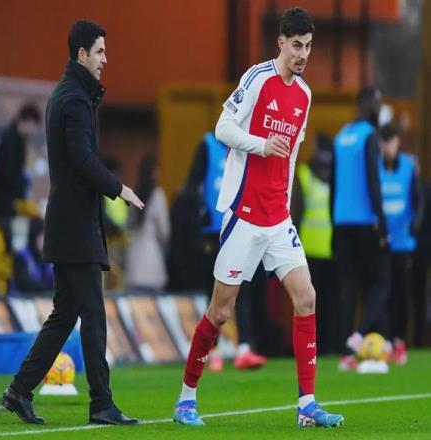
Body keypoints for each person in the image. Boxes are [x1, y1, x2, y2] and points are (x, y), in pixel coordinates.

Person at [173, 7, 344, 428]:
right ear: (281, 42)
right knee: (220, 311)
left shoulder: (304, 95)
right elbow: (222, 128)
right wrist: (260, 144)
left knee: (306, 298)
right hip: (244, 217)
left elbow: (292, 155)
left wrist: (285, 204)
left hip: (277, 219)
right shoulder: (257, 78)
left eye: (309, 46)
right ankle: (186, 399)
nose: (303, 54)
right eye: (297, 45)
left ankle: (307, 405)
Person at [0, 20, 144, 426]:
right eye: (100, 52)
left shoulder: (67, 94)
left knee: (65, 314)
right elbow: (82, 159)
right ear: (82, 54)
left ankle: (19, 390)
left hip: (67, 222)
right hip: (76, 227)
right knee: (92, 316)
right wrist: (119, 188)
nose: (105, 60)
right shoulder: (75, 100)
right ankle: (101, 404)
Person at [186, 132, 267, 371]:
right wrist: (201, 209)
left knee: (244, 287)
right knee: (214, 290)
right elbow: (192, 183)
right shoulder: (208, 145)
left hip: (240, 226)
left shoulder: (247, 146)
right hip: (213, 230)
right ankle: (213, 349)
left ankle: (244, 347)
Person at [331, 86, 391, 371]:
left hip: (341, 221)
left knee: (349, 286)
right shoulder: (369, 135)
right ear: (374, 105)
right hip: (365, 220)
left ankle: (346, 350)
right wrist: (382, 224)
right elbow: (373, 181)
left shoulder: (342, 135)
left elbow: (333, 183)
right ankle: (359, 335)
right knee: (381, 281)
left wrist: (333, 223)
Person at [378, 122, 424, 364]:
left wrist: (415, 224)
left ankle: (400, 341)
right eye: (384, 142)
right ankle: (385, 341)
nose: (388, 147)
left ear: (397, 142)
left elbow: (419, 199)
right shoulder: (375, 166)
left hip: (403, 243)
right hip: (382, 243)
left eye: (391, 142)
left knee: (401, 295)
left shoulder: (408, 167)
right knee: (382, 295)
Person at [292, 134, 338, 354]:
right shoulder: (338, 174)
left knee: (309, 304)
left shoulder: (304, 173)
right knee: (330, 303)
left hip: (308, 249)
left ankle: (312, 345)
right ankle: (330, 346)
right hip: (331, 248)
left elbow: (295, 213)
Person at [0, 103, 42, 218]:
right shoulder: (12, 141)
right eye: (34, 126)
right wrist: (22, 186)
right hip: (1, 204)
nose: (33, 131)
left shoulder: (16, 139)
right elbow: (8, 174)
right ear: (28, 121)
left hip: (3, 201)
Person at [125, 155, 170, 291]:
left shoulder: (133, 193)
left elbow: (128, 224)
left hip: (134, 255)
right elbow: (165, 230)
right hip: (152, 257)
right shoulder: (158, 195)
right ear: (154, 172)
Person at [12, 218, 53, 294]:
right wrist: (44, 289)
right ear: (34, 236)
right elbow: (23, 282)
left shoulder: (47, 259)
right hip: (22, 299)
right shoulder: (21, 256)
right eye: (41, 236)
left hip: (43, 299)